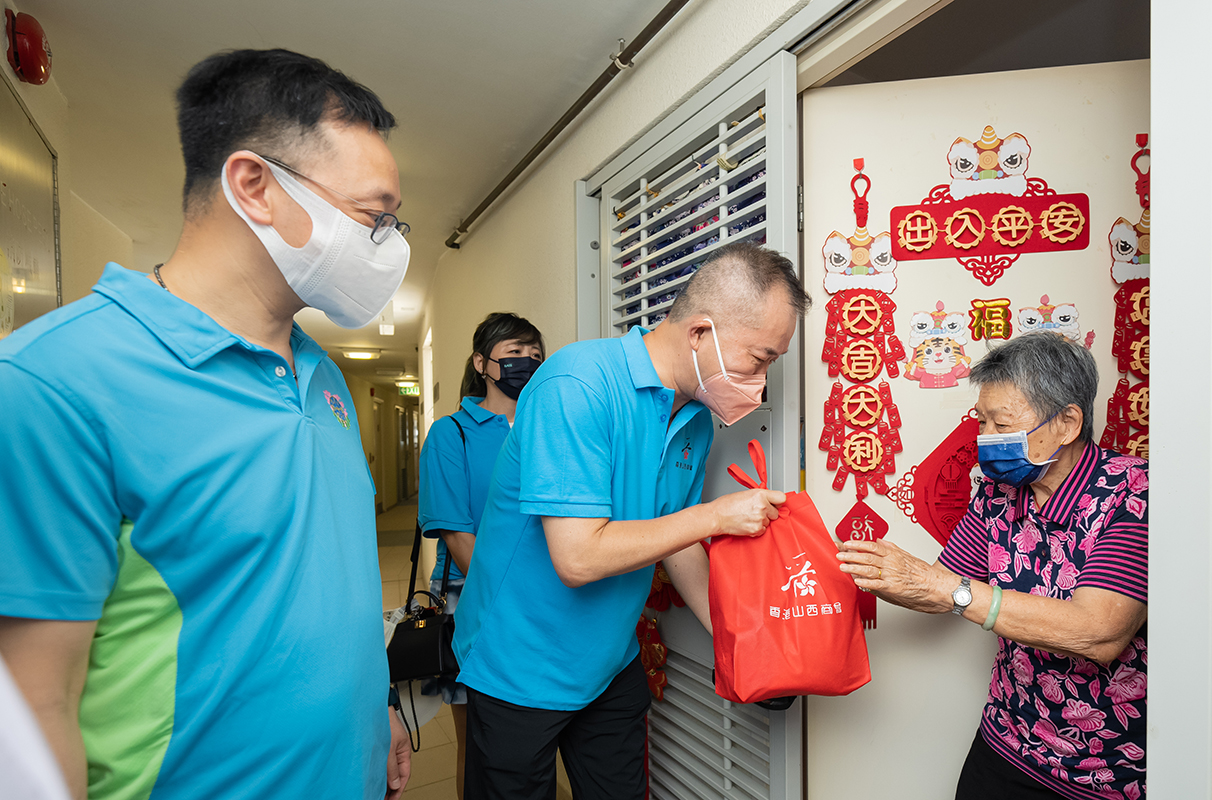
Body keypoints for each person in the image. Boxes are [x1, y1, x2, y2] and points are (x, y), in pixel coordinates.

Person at [0, 49, 412, 799]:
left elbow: (333, 583)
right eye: (372, 218)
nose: (389, 245)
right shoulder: (54, 383)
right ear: (254, 185)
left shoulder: (324, 379)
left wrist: (375, 709)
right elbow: (33, 707)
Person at [452, 241, 811, 800]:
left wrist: (740, 644)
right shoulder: (577, 386)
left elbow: (678, 542)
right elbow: (578, 557)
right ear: (699, 333)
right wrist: (714, 515)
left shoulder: (694, 418)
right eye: (759, 357)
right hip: (519, 661)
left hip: (610, 660)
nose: (761, 380)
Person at [838, 333, 1148, 800]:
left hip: (1103, 771)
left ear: (1066, 423)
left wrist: (945, 589)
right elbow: (941, 589)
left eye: (1001, 425)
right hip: (1005, 741)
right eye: (982, 421)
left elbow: (1100, 632)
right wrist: (871, 570)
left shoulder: (1134, 493)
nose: (985, 439)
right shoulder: (997, 495)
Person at [416, 311, 545, 799]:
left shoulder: (545, 424)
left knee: (530, 734)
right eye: (514, 353)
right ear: (481, 362)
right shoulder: (453, 434)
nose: (527, 362)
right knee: (479, 738)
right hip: (471, 597)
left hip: (546, 598)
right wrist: (516, 600)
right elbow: (456, 536)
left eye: (535, 354)